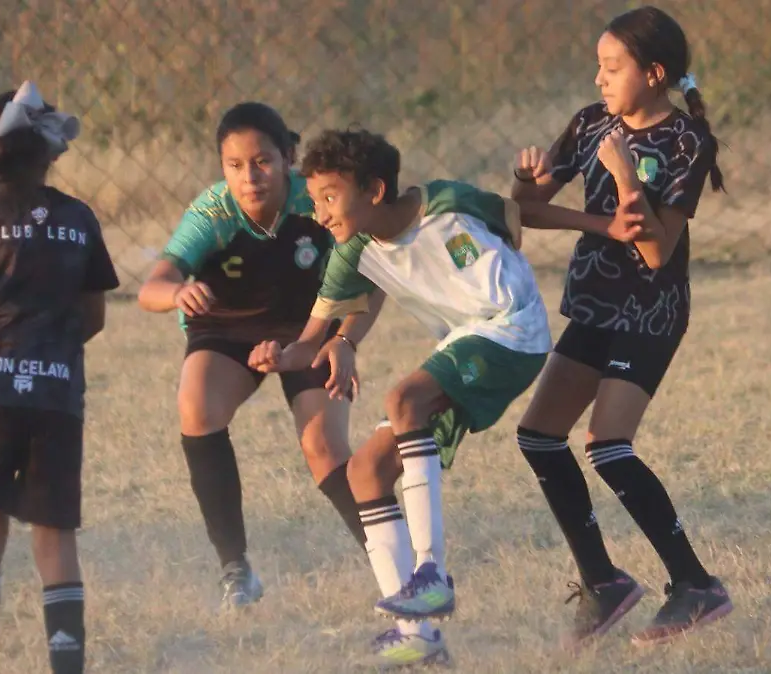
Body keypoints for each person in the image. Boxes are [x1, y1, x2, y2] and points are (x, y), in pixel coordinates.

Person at [248, 128, 627, 668]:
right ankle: (419, 635)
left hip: (512, 329)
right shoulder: (353, 249)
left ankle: (431, 573)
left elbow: (524, 215)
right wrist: (281, 355)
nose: (321, 212)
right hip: (465, 343)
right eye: (315, 201)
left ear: (374, 190)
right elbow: (310, 340)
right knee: (365, 473)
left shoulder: (448, 200)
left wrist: (604, 225)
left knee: (405, 398)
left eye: (330, 197)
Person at [508, 4, 734, 648]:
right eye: (598, 66)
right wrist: (529, 186)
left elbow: (658, 251)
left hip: (650, 311)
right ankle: (603, 582)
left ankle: (695, 586)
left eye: (613, 67)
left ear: (655, 73)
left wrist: (626, 177)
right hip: (595, 303)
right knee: (538, 437)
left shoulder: (689, 141)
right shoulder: (590, 124)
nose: (600, 78)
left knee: (608, 444)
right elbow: (526, 212)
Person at [137, 102, 385, 610]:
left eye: (263, 162)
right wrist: (177, 293)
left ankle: (391, 563)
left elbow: (374, 268)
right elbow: (152, 287)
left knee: (324, 446)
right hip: (227, 329)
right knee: (197, 407)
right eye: (234, 165)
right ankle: (236, 569)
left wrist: (347, 342)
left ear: (289, 157)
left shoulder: (315, 198)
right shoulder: (213, 211)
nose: (249, 177)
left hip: (309, 328)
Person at [0, 81, 119, 674]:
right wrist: (53, 354)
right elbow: (93, 317)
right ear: (52, 152)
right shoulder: (79, 219)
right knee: (54, 533)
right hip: (56, 393)